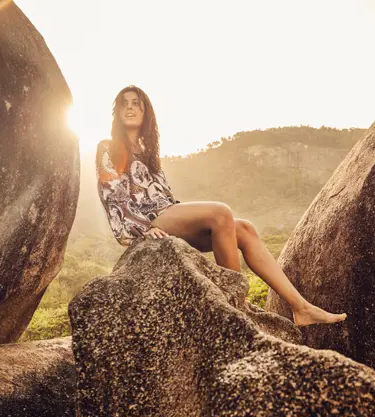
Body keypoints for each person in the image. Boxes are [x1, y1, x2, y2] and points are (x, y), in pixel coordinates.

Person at [96, 85, 347, 327]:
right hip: (151, 220)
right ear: (117, 113)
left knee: (244, 229)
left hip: (168, 214)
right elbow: (111, 195)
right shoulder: (107, 148)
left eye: (136, 104)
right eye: (124, 104)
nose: (130, 108)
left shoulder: (148, 151)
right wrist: (141, 229)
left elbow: (164, 195)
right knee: (220, 212)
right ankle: (236, 305)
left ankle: (300, 307)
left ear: (145, 112)